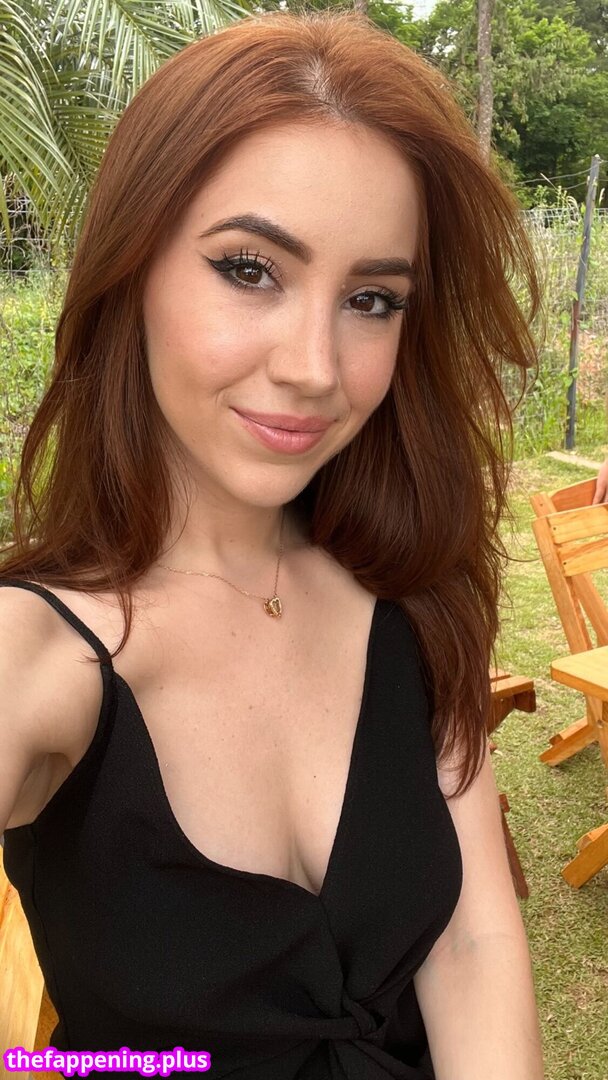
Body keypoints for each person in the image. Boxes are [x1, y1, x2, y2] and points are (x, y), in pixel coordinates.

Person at [0, 9, 545, 1079]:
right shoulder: (37, 652)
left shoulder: (412, 592)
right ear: (131, 266)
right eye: (250, 269)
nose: (313, 367)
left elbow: (472, 944)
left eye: (371, 299)